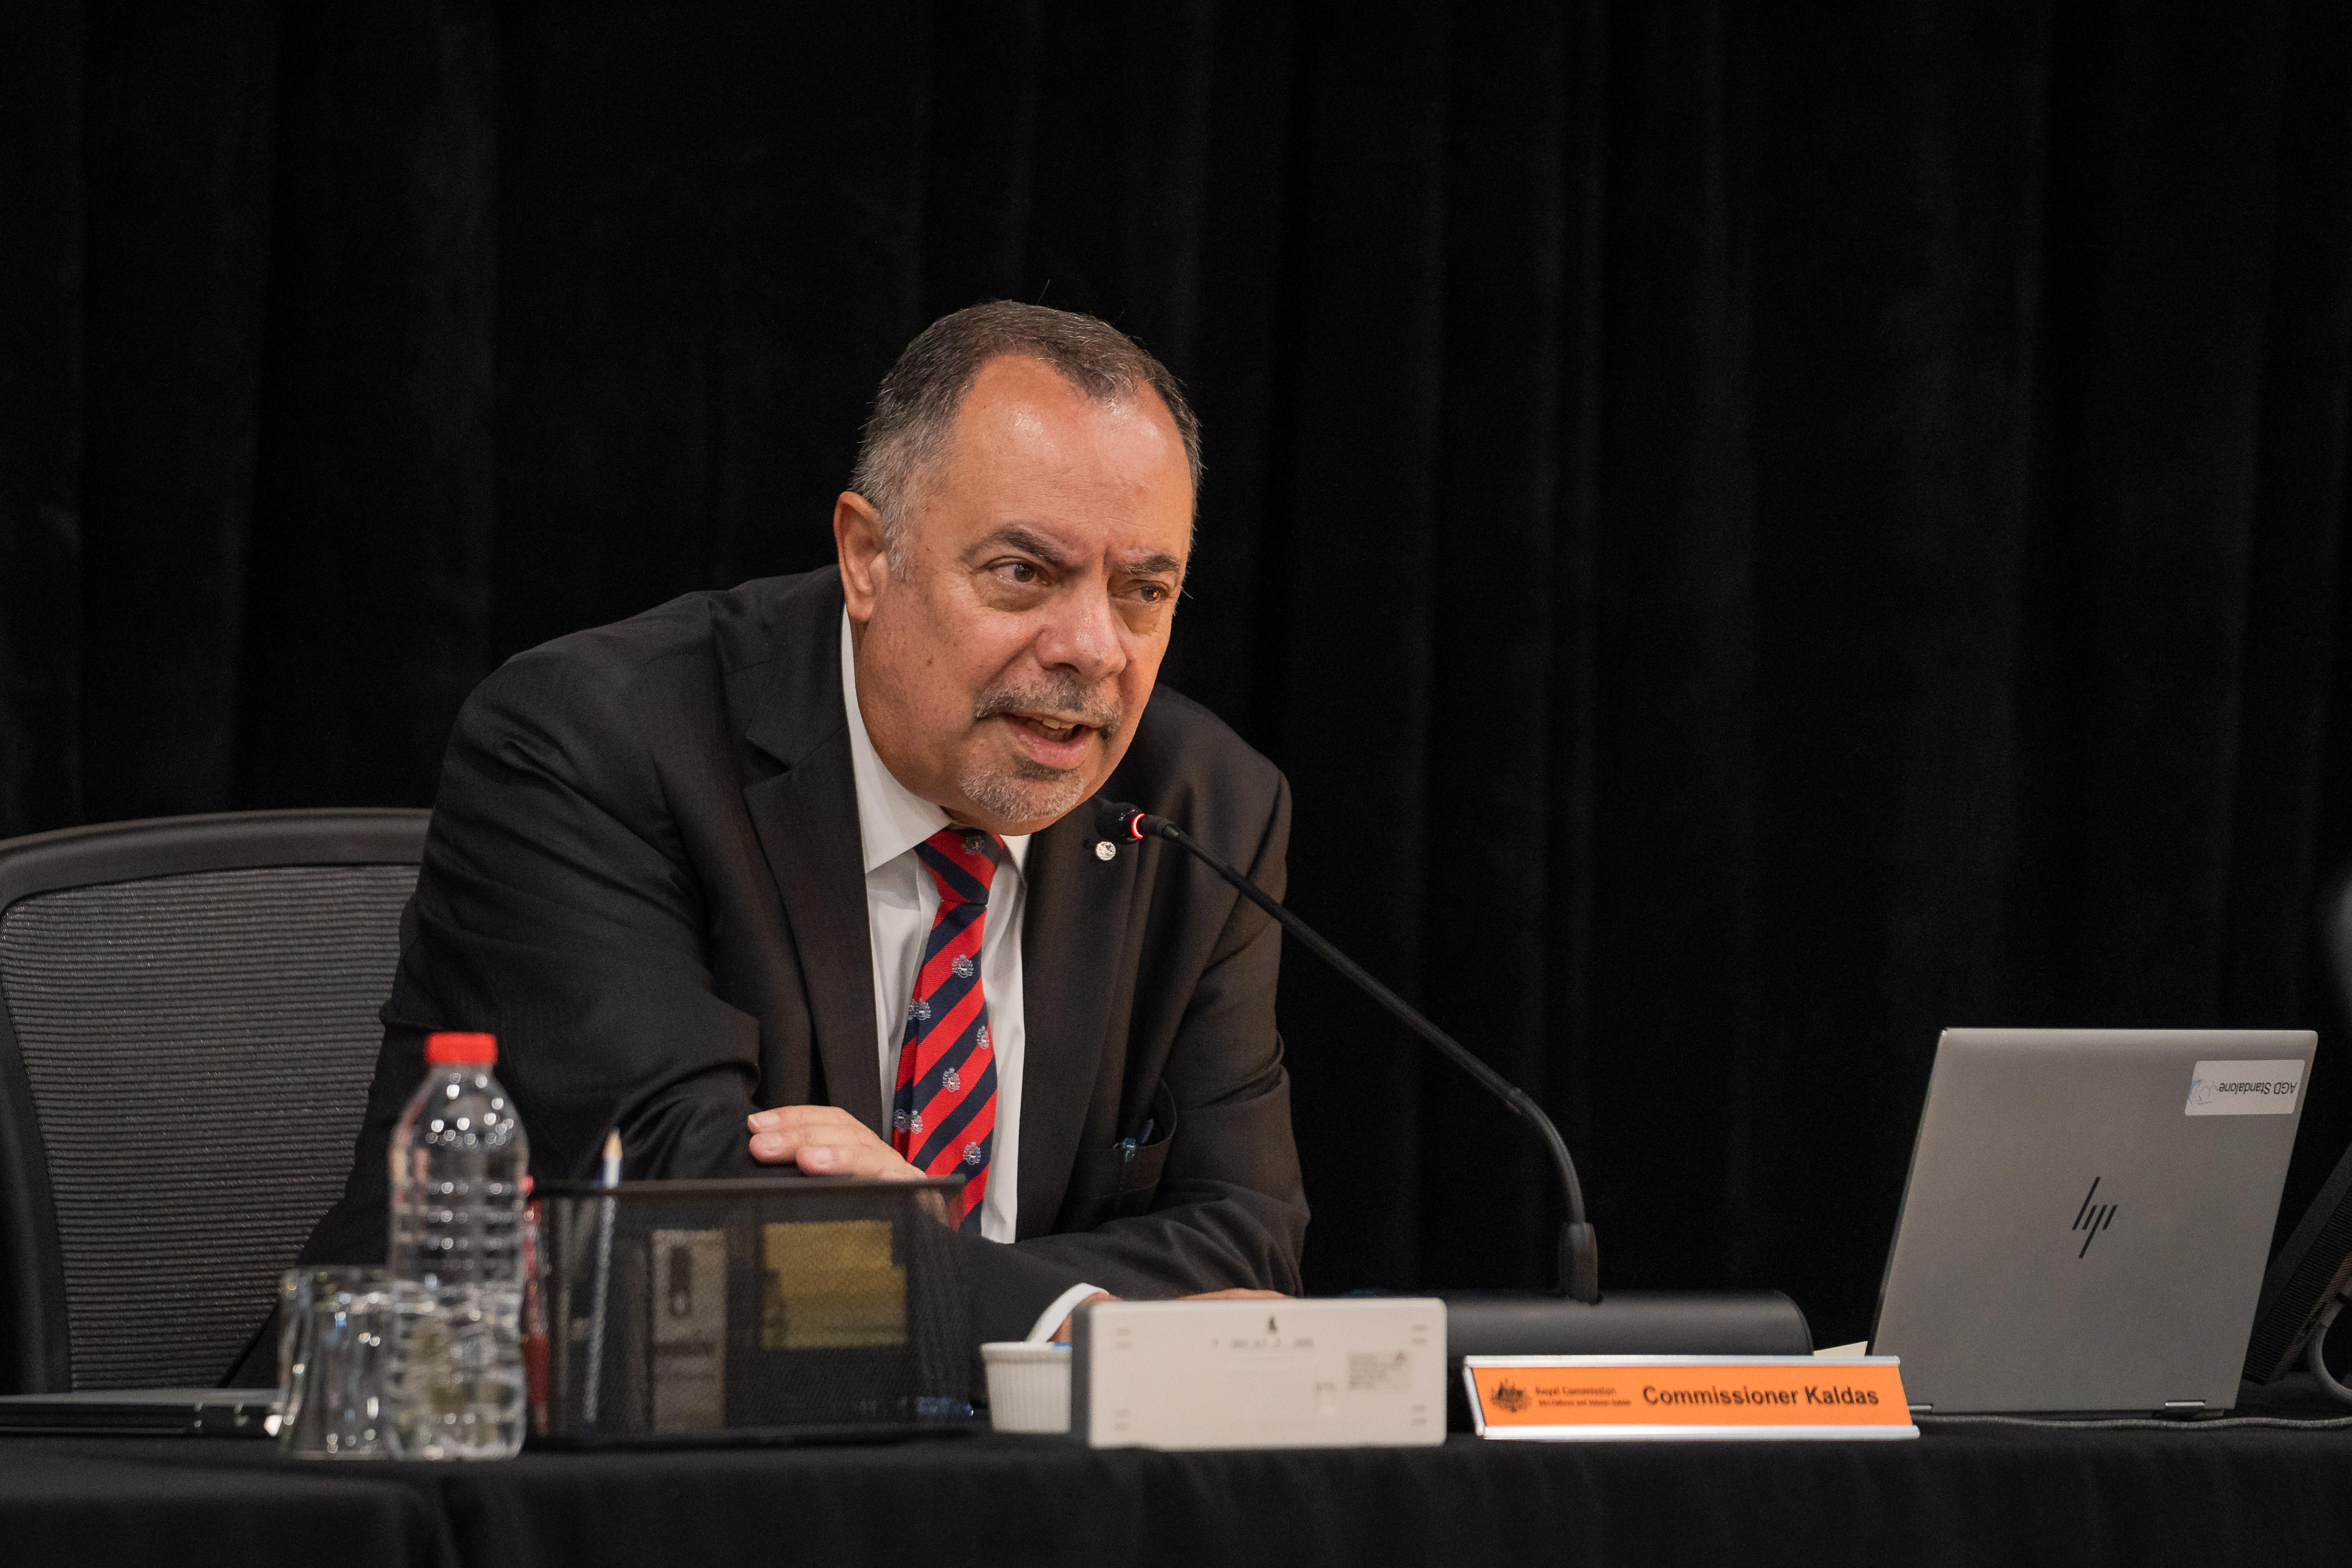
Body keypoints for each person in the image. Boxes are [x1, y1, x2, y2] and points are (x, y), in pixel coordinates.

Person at [295, 302, 1306, 1348]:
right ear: (868, 556)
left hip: (989, 1485)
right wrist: (1043, 1310)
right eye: (1024, 573)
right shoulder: (594, 743)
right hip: (518, 1455)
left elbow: (1244, 1244)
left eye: (1145, 589)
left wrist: (924, 1249)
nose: (1094, 647)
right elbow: (679, 1205)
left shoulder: (1204, 807)